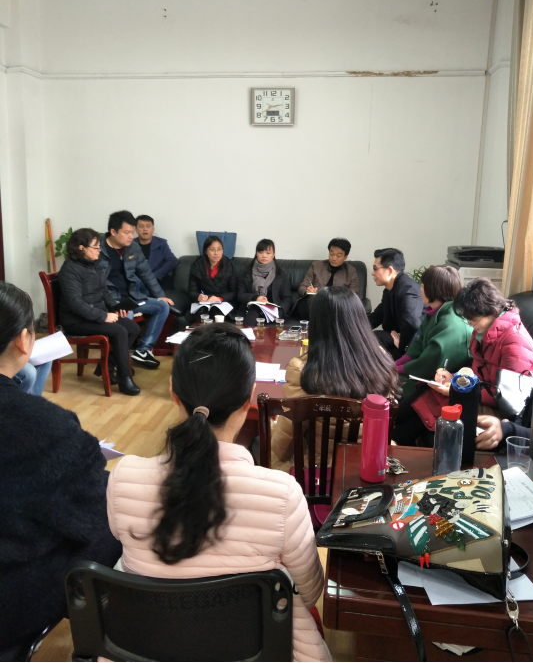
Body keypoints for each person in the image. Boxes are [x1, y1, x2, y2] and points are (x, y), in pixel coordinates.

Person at [107, 324, 329, 662]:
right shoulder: (282, 494)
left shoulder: (123, 478)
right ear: (249, 396)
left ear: (172, 390)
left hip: (148, 648)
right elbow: (310, 592)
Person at [0, 281, 121, 653]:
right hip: (10, 598)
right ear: (24, 341)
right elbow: (89, 514)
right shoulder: (46, 426)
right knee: (114, 515)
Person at [396, 278, 533, 449]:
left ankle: (395, 442)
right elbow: (477, 375)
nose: (469, 323)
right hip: (479, 395)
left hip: (499, 410)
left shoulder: (515, 343)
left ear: (490, 310)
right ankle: (393, 437)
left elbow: (509, 399)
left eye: (473, 319)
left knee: (432, 402)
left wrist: (460, 390)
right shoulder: (483, 331)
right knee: (427, 392)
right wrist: (455, 378)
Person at [272, 286, 399, 469]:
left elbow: (285, 440)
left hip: (320, 470)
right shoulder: (381, 360)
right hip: (370, 465)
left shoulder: (304, 370)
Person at [393, 266, 473, 445]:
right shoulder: (434, 312)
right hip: (431, 380)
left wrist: (394, 370)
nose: (420, 288)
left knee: (397, 418)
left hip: (438, 383)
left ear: (434, 290)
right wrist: (393, 366)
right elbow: (417, 347)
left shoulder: (452, 324)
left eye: (423, 285)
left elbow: (427, 364)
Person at [58, 227, 141, 396]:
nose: (99, 251)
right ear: (81, 248)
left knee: (133, 328)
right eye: (95, 247)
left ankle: (107, 367)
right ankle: (124, 379)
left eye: (99, 247)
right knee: (119, 331)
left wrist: (116, 309)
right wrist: (103, 316)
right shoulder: (69, 270)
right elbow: (75, 303)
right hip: (76, 320)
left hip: (94, 314)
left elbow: (104, 292)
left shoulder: (94, 265)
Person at [98, 210, 174, 370]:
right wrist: (112, 305)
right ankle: (118, 360)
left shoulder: (132, 247)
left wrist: (160, 295)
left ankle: (143, 350)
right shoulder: (98, 248)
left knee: (162, 306)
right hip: (109, 300)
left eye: (131, 232)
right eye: (126, 232)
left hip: (131, 296)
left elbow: (146, 273)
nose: (130, 236)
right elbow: (93, 282)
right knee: (128, 315)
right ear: (113, 231)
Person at [368, 247, 424, 359]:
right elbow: (378, 315)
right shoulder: (391, 288)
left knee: (372, 340)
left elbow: (412, 324)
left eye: (375, 269)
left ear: (389, 270)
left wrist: (402, 346)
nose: (372, 273)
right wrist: (355, 327)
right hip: (398, 336)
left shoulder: (408, 289)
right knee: (367, 338)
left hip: (414, 343)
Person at [295, 238, 360, 321]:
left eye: (338, 255)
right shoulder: (316, 266)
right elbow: (302, 287)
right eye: (331, 254)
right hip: (313, 303)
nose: (334, 258)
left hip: (336, 305)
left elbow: (354, 295)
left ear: (345, 257)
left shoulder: (351, 271)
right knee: (309, 302)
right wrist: (307, 290)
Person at [236, 239, 293, 326]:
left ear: (273, 255)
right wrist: (256, 298)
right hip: (252, 307)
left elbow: (287, 298)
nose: (264, 256)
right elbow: (240, 294)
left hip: (272, 309)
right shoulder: (247, 271)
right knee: (254, 310)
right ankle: (246, 333)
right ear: (256, 253)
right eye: (261, 252)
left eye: (268, 253)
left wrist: (280, 311)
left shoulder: (280, 274)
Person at [187, 235, 237, 323]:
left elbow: (234, 292)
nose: (216, 253)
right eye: (212, 249)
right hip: (204, 303)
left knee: (217, 314)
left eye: (219, 249)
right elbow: (191, 291)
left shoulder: (229, 265)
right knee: (201, 317)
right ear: (206, 251)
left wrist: (220, 298)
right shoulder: (197, 265)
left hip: (223, 302)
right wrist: (198, 297)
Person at [135, 214, 178, 291]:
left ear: (153, 229)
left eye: (148, 226)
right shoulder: (130, 244)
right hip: (138, 281)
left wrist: (156, 275)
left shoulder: (161, 243)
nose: (145, 229)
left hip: (159, 281)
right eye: (141, 226)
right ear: (136, 229)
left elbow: (173, 261)